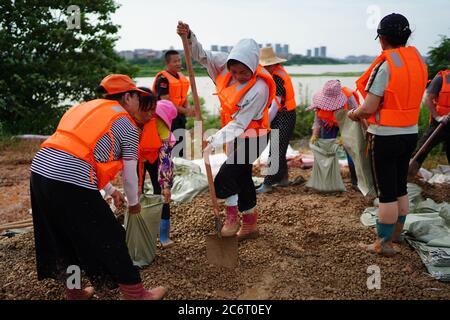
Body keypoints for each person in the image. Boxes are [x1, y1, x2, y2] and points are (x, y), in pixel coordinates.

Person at [30, 74, 167, 300]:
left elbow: (83, 153)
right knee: (112, 236)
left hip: (40, 171)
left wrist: (112, 192)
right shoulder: (127, 124)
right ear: (128, 97)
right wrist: (134, 204)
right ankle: (136, 294)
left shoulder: (84, 108)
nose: (138, 103)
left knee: (63, 238)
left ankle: (74, 291)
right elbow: (130, 175)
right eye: (136, 96)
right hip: (70, 177)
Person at [177, 21, 275, 240]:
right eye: (235, 71)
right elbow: (201, 55)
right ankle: (249, 224)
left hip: (254, 136)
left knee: (224, 179)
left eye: (244, 72)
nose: (238, 75)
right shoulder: (223, 64)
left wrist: (212, 140)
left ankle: (231, 216)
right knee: (242, 178)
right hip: (233, 133)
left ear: (254, 66)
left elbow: (240, 123)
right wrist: (189, 37)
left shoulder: (259, 89)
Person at [348, 13, 428, 256]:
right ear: (406, 36)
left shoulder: (386, 65)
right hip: (410, 134)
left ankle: (383, 244)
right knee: (400, 186)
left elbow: (370, 106)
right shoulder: (419, 63)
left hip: (384, 136)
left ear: (382, 39)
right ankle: (397, 235)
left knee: (386, 193)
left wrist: (354, 113)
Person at [138, 89, 177, 248]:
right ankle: (139, 231)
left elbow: (165, 153)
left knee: (162, 193)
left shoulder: (158, 121)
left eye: (153, 110)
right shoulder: (129, 119)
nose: (150, 114)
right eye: (146, 110)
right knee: (136, 193)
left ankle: (163, 235)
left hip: (156, 157)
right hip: (137, 157)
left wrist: (165, 184)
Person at [256, 47, 297, 193]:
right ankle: (283, 179)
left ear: (274, 63)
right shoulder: (271, 74)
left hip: (285, 115)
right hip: (280, 114)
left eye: (269, 64)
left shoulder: (277, 77)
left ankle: (267, 184)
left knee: (276, 149)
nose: (266, 67)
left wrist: (264, 124)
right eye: (264, 65)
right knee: (280, 148)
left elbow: (274, 106)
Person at [308, 80, 360, 188]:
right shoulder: (319, 101)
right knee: (326, 150)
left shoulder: (349, 98)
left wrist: (345, 137)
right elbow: (317, 120)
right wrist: (315, 134)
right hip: (329, 124)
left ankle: (356, 181)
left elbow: (356, 119)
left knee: (350, 150)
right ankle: (328, 181)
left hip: (348, 122)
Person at [409, 58, 450, 175]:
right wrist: (437, 117)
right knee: (421, 150)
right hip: (440, 123)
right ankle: (408, 177)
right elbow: (428, 99)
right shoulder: (441, 79)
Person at [153, 50, 194, 157]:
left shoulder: (181, 77)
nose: (178, 63)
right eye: (175, 61)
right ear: (167, 64)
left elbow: (183, 97)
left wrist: (188, 108)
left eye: (179, 60)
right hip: (166, 118)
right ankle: (169, 168)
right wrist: (185, 110)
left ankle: (181, 166)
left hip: (180, 116)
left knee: (181, 145)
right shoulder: (163, 79)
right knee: (171, 146)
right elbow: (165, 100)